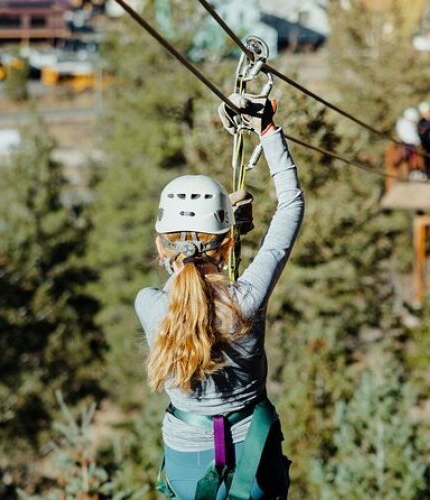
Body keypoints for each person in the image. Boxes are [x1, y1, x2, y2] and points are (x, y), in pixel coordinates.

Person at [134, 92, 303, 499]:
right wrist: (266, 130)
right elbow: (291, 204)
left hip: (185, 458)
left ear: (161, 248)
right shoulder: (247, 300)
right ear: (227, 247)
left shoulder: (150, 304)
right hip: (254, 454)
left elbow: (190, 294)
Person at [396, 107, 422, 174]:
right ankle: (414, 171)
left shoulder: (403, 123)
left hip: (407, 143)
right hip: (409, 144)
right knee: (413, 157)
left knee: (412, 157)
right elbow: (411, 136)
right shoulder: (405, 124)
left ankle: (414, 171)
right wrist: (417, 142)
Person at [417, 101, 430, 177]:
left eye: (428, 112)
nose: (428, 114)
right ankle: (428, 173)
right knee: (426, 159)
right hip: (426, 144)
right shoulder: (421, 122)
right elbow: (421, 133)